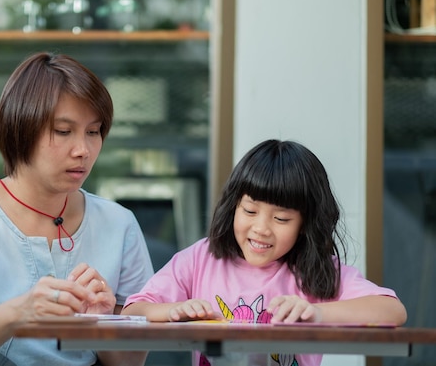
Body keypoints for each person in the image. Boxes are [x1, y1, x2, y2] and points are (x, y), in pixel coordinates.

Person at [0, 52, 154, 366]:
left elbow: (128, 363)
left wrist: (100, 324)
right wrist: (19, 312)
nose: (83, 150)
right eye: (63, 131)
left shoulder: (119, 224)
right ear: (21, 128)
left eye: (93, 132)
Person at [122, 139, 407, 366]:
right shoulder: (202, 258)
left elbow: (392, 311)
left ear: (305, 223)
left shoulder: (318, 270)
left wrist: (316, 311)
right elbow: (135, 309)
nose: (261, 229)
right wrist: (173, 310)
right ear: (233, 206)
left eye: (281, 219)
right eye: (249, 211)